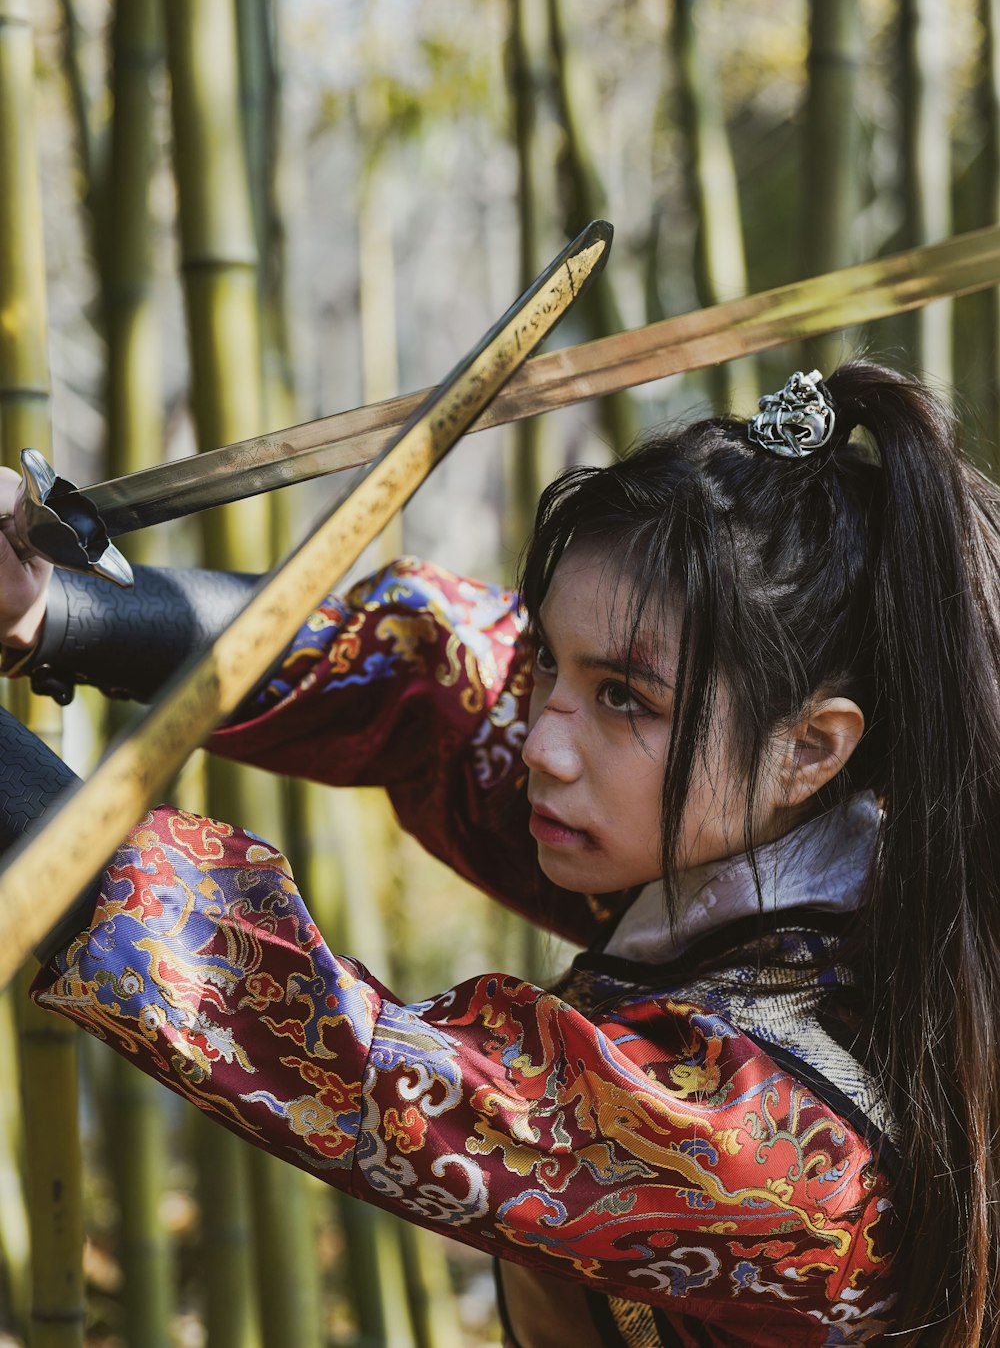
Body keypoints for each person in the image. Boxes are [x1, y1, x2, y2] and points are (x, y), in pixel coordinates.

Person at [1, 359, 998, 1347]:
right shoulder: (776, 845)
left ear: (811, 748)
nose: (543, 743)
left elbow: (357, 1061)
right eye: (551, 668)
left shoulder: (775, 1138)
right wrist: (53, 612)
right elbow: (432, 677)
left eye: (624, 698)